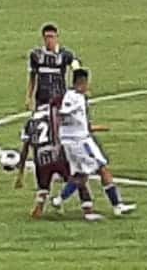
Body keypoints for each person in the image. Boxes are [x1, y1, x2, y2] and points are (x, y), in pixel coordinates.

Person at [53, 69, 137, 217]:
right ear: (83, 83)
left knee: (81, 175)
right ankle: (117, 206)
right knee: (102, 168)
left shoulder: (68, 95)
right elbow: (65, 112)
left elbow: (63, 114)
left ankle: (59, 199)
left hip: (68, 141)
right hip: (80, 141)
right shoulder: (78, 98)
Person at [15, 101, 94, 219]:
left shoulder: (30, 123)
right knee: (79, 178)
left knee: (43, 188)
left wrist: (20, 174)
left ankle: (40, 205)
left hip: (41, 159)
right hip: (58, 155)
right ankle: (88, 210)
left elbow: (25, 148)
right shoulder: (57, 117)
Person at [26, 24, 81, 109]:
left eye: (51, 37)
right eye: (47, 37)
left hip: (59, 97)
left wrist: (76, 90)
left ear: (56, 38)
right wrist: (29, 97)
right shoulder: (36, 56)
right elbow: (32, 77)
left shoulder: (65, 55)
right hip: (41, 98)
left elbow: (77, 69)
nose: (49, 40)